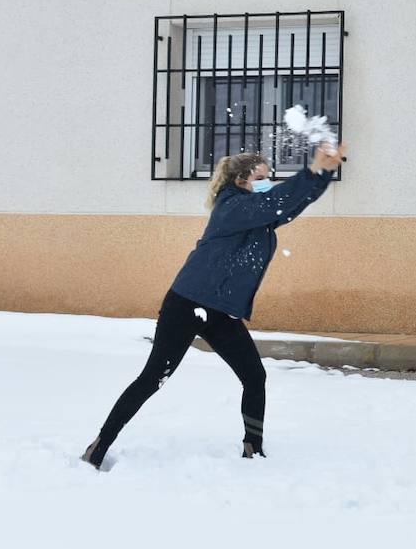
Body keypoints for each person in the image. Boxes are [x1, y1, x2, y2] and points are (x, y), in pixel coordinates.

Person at [81, 142, 346, 469]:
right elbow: (276, 202)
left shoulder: (260, 214)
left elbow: (289, 205)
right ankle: (99, 446)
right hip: (188, 303)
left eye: (269, 178)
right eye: (261, 178)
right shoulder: (232, 207)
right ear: (240, 182)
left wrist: (323, 174)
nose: (268, 183)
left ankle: (253, 448)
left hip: (220, 312)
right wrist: (312, 170)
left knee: (254, 376)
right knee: (153, 378)